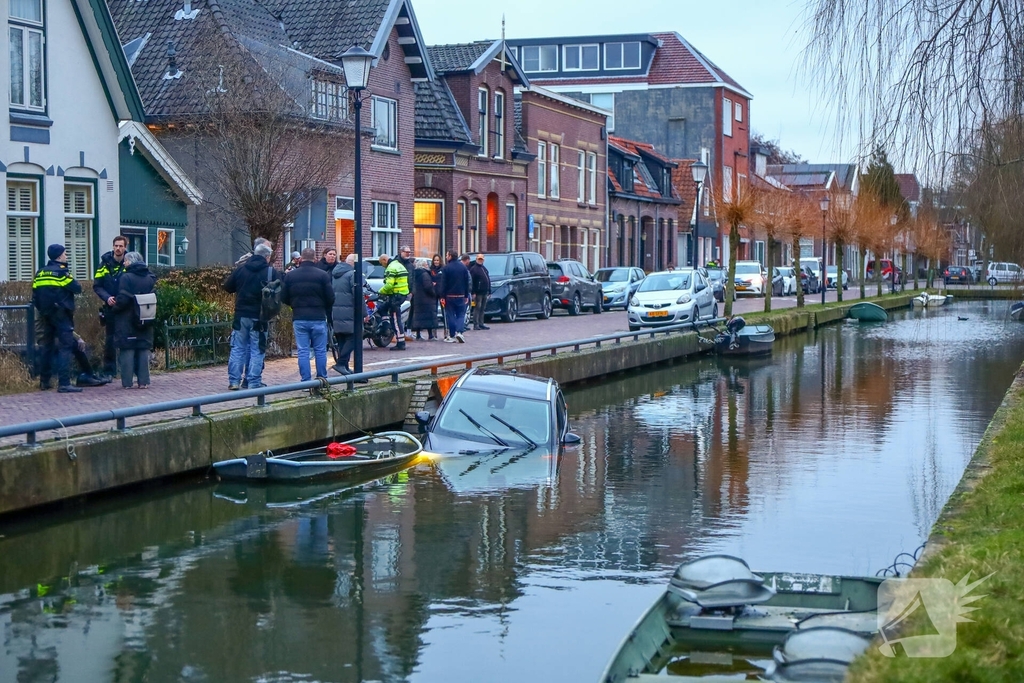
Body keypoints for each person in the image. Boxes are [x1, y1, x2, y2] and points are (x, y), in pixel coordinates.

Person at [222, 241, 277, 390]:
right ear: (267, 257)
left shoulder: (241, 270)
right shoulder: (270, 272)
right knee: (257, 349)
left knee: (238, 348)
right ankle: (253, 381)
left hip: (241, 315)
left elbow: (227, 287)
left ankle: (234, 381)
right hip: (260, 316)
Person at [32, 244, 82, 393]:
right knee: (65, 347)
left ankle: (44, 382)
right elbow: (77, 288)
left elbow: (35, 294)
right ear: (59, 256)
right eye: (65, 254)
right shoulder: (61, 273)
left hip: (44, 314)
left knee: (46, 348)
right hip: (61, 315)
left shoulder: (39, 273)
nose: (66, 256)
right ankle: (64, 383)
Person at [283, 248, 334, 381]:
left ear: (301, 259)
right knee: (320, 350)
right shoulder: (322, 275)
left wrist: (294, 305)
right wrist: (323, 306)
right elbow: (331, 297)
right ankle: (322, 378)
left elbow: (283, 296)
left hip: (299, 317)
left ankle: (305, 381)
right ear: (315, 258)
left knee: (303, 351)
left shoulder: (291, 276)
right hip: (318, 316)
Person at [112, 252, 157, 389]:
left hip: (127, 319)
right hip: (145, 317)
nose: (124, 263)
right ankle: (143, 381)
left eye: (125, 261)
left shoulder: (126, 277)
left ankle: (127, 382)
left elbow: (123, 299)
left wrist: (114, 308)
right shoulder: (150, 277)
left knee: (128, 349)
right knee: (143, 348)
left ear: (130, 262)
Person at [93, 235, 128, 378]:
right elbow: (97, 286)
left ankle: (127, 369)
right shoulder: (104, 264)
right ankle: (109, 371)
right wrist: (107, 298)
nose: (118, 249)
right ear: (113, 247)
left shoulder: (129, 263)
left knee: (128, 338)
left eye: (121, 246)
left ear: (125, 247)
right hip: (111, 307)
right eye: (116, 246)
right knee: (110, 340)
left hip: (126, 307)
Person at [330, 254, 365, 374]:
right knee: (355, 337)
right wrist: (364, 313)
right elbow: (358, 296)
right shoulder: (352, 275)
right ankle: (340, 363)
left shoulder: (335, 274)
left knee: (342, 340)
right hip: (350, 312)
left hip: (337, 312)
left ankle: (345, 366)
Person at [377, 253, 410, 351]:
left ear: (384, 260)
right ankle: (386, 326)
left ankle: (400, 343)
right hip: (402, 294)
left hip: (396, 296)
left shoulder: (390, 268)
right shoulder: (399, 265)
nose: (382, 266)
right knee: (383, 308)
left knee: (395, 318)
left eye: (381, 264)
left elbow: (390, 285)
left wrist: (380, 291)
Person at [439, 249, 471, 343]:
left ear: (450, 256)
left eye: (447, 255)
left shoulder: (446, 268)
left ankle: (452, 334)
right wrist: (466, 295)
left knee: (450, 315)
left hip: (449, 296)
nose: (446, 257)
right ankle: (460, 332)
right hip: (461, 295)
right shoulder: (463, 268)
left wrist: (442, 296)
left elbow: (443, 283)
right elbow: (466, 282)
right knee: (461, 315)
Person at [410, 258, 439, 340]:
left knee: (419, 317)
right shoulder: (425, 274)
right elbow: (427, 286)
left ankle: (418, 334)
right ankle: (430, 335)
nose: (428, 266)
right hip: (427, 299)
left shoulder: (416, 274)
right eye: (426, 264)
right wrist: (433, 290)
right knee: (429, 317)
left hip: (418, 298)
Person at [469, 253, 491, 331]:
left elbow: (488, 279)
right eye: (479, 259)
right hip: (478, 292)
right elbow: (472, 281)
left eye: (481, 259)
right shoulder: (474, 269)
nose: (480, 261)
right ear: (476, 260)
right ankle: (476, 324)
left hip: (485, 292)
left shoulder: (484, 268)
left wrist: (489, 291)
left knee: (483, 308)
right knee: (477, 308)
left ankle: (481, 323)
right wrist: (473, 292)